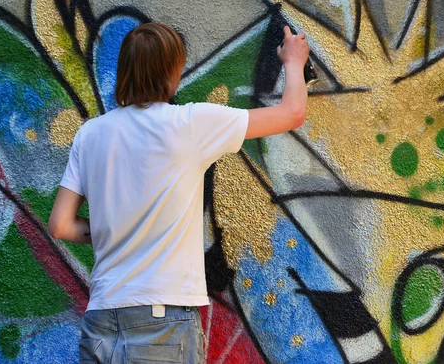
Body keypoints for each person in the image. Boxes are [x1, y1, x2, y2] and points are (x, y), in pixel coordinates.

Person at [48, 22, 310, 363]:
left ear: (125, 71)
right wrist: (293, 61)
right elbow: (291, 113)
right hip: (161, 322)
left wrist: (116, 233)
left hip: (102, 318)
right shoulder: (191, 123)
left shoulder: (91, 134)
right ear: (173, 70)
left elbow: (61, 226)